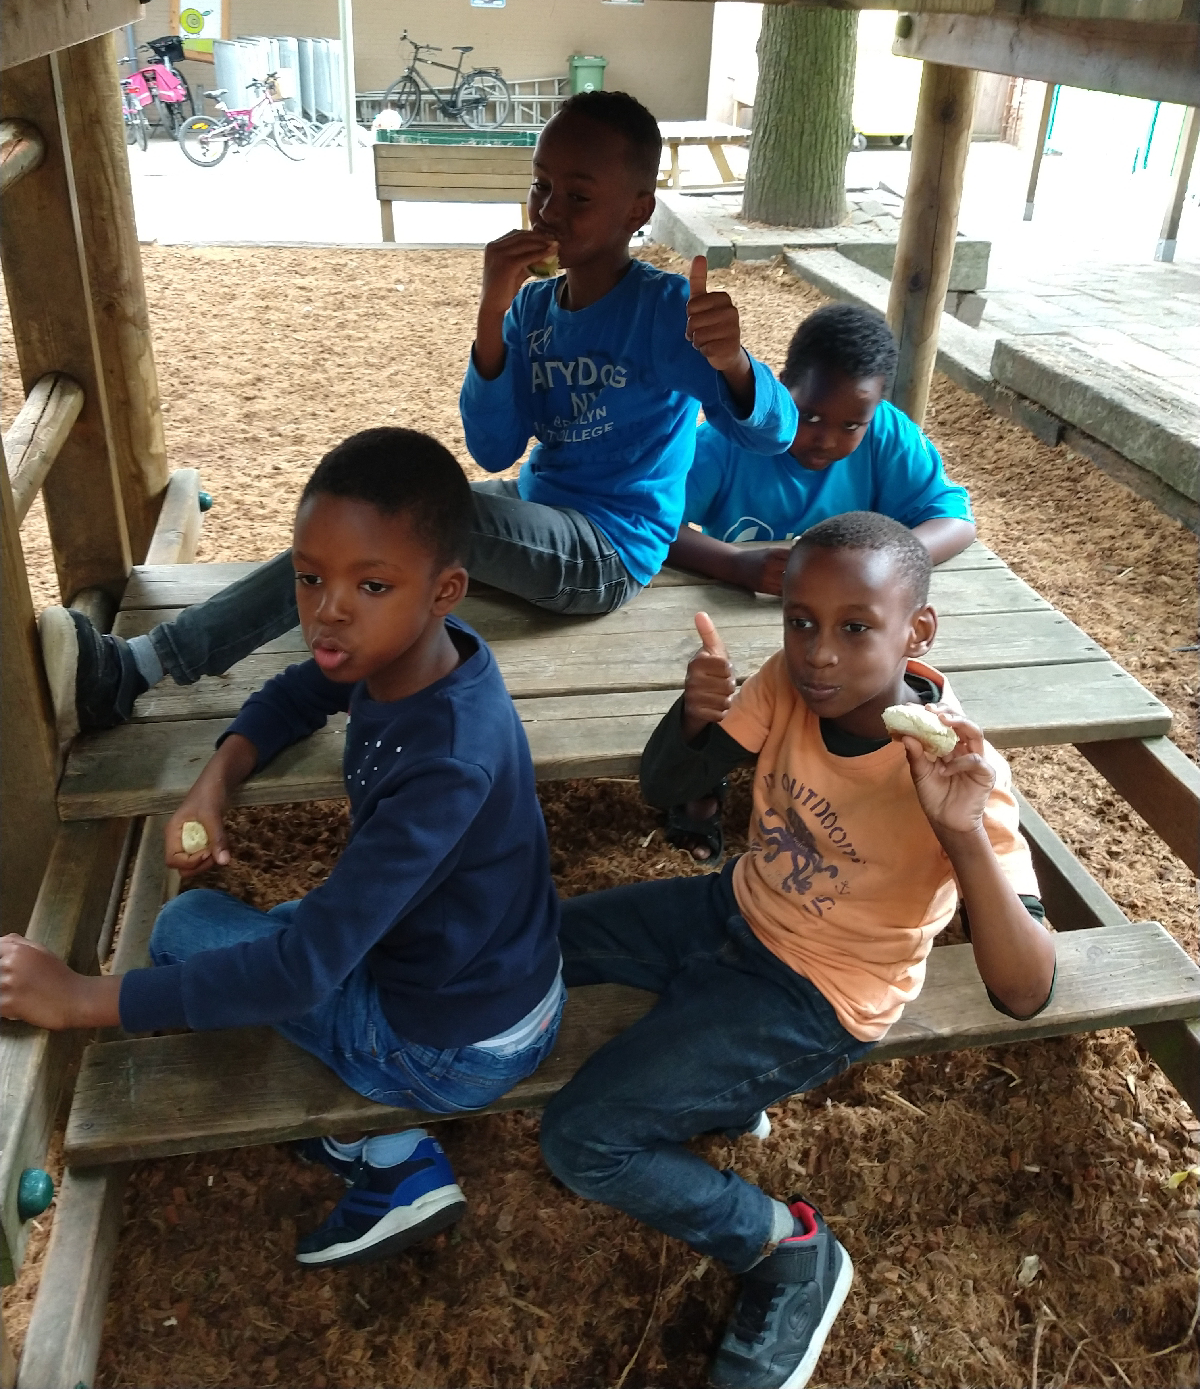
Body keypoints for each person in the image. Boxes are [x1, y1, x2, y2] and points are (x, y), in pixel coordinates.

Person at [38, 89, 796, 744]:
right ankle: (225, 662)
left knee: (405, 526)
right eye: (541, 186)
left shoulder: (665, 313)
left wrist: (733, 364)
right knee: (368, 510)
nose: (549, 210)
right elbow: (494, 447)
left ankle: (139, 669)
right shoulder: (534, 308)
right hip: (539, 505)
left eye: (579, 195)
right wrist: (494, 311)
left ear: (638, 209)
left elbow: (776, 433)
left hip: (607, 551)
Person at [2, 428, 564, 1269]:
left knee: (187, 929)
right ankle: (384, 1135)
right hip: (485, 972)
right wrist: (214, 781)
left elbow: (301, 973)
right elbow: (303, 688)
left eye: (370, 584)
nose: (328, 610)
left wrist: (83, 997)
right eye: (309, 577)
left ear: (446, 589)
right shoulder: (415, 655)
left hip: (454, 1048)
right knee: (276, 935)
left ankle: (395, 1156)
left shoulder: (448, 761)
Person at [539, 512, 1055, 1389]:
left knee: (584, 1140)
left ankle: (788, 1251)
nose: (819, 654)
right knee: (534, 941)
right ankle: (725, 1099)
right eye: (801, 622)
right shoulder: (789, 682)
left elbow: (1026, 991)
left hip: (819, 991)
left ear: (917, 631)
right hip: (734, 906)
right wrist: (693, 719)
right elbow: (667, 788)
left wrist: (961, 834)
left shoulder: (959, 770)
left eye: (856, 628)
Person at [666, 302, 976, 598]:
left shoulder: (887, 434)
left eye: (851, 426)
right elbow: (651, 520)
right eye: (810, 417)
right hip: (739, 610)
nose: (826, 441)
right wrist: (733, 564)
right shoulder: (726, 442)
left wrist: (885, 564)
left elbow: (955, 522)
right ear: (781, 386)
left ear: (876, 407)